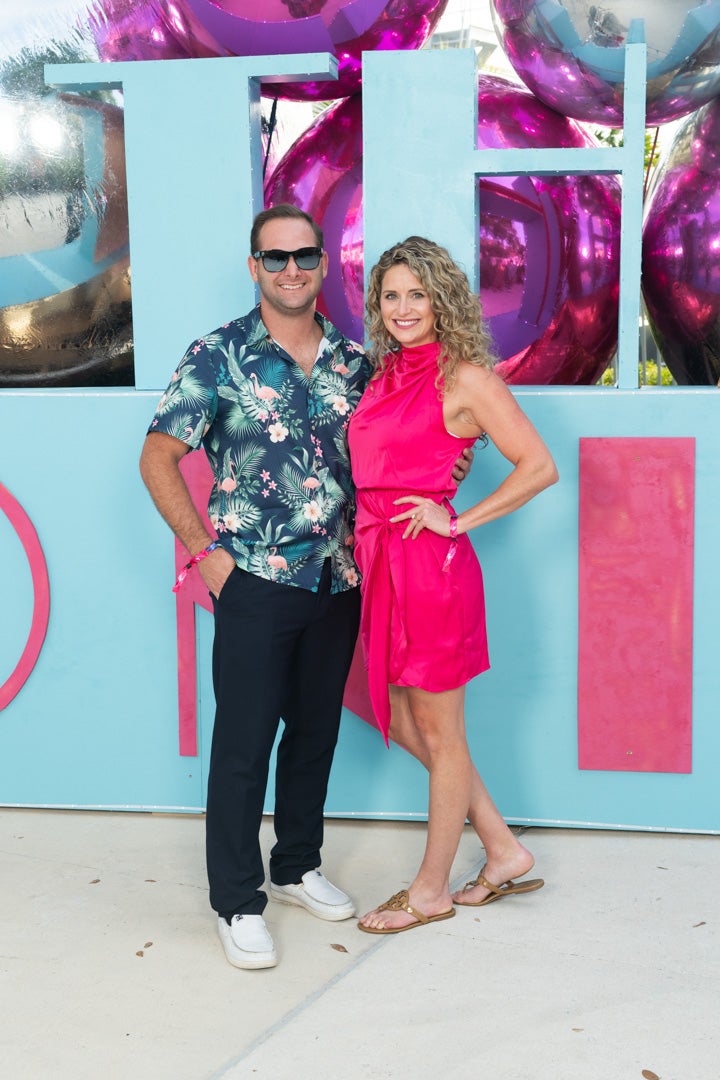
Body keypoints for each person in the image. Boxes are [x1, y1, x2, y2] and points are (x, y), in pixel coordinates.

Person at [139, 206, 472, 969]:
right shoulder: (218, 356)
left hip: (341, 576)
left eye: (304, 256)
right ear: (254, 266)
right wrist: (205, 554)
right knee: (244, 743)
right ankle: (237, 900)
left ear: (323, 264)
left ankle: (295, 864)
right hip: (254, 578)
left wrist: (453, 463)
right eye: (275, 257)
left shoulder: (358, 363)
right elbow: (156, 457)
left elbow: (412, 438)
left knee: (316, 732)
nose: (290, 269)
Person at [347, 236, 558, 934]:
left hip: (429, 572)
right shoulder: (382, 374)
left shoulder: (466, 379)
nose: (403, 307)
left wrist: (457, 518)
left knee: (442, 733)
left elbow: (539, 466)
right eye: (391, 295)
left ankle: (431, 889)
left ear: (442, 302)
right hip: (378, 562)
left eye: (418, 294)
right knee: (405, 717)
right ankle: (502, 847)